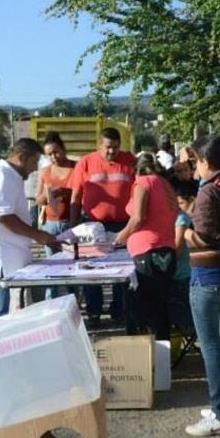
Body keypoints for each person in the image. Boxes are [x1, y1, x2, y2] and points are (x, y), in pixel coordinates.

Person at [179, 137, 220, 436]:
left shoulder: (207, 193)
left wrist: (186, 234)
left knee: (211, 348)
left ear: (205, 162)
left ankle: (218, 414)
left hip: (207, 277)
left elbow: (205, 236)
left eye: (195, 161)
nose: (194, 167)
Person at [0, 138, 60, 317]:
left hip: (8, 258)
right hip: (0, 261)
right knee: (6, 317)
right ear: (21, 157)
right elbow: (4, 217)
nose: (35, 168)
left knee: (11, 315)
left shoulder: (9, 175)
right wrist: (38, 235)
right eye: (34, 162)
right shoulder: (1, 176)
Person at [69, 127, 136, 324]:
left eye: (115, 147)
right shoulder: (86, 162)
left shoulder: (129, 161)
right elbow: (76, 195)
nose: (111, 152)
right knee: (92, 271)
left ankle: (120, 310)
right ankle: (94, 311)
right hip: (92, 226)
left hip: (122, 225)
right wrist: (73, 228)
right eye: (107, 147)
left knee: (122, 269)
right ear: (99, 145)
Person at [113, 152, 178, 340]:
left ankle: (146, 356)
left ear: (137, 170)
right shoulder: (165, 184)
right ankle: (163, 356)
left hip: (147, 252)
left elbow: (139, 217)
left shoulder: (142, 183)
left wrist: (120, 237)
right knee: (160, 308)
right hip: (166, 249)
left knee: (144, 308)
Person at [35, 132, 76, 298]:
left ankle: (74, 301)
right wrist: (46, 197)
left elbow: (84, 193)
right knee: (52, 267)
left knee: (73, 266)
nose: (54, 157)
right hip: (50, 224)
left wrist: (66, 192)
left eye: (56, 152)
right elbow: (38, 199)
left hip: (71, 223)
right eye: (49, 154)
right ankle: (50, 302)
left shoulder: (76, 168)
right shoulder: (44, 172)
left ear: (63, 149)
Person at [169, 181, 196, 338]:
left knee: (183, 313)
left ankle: (188, 329)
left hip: (181, 273)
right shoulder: (174, 216)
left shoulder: (182, 218)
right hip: (178, 272)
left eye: (181, 202)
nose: (177, 205)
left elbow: (178, 248)